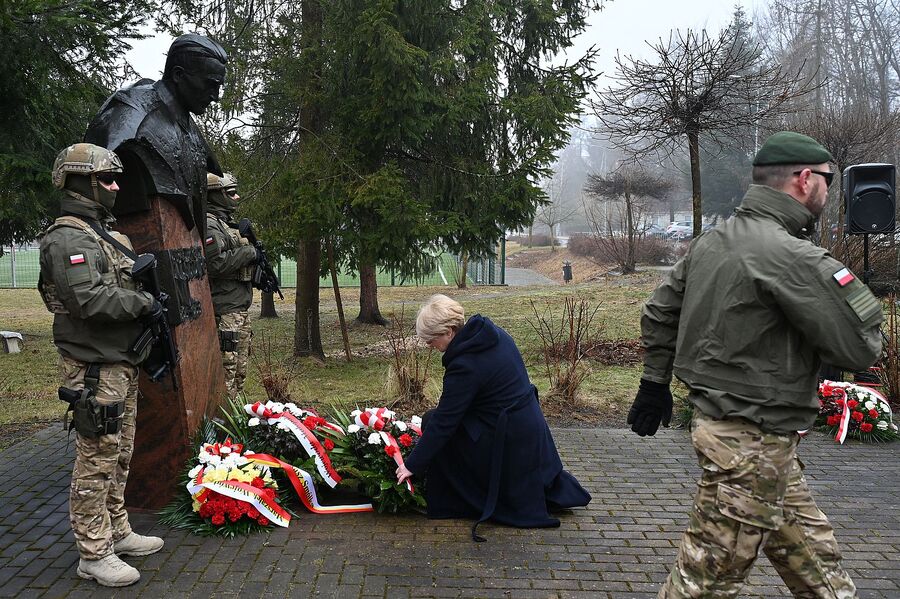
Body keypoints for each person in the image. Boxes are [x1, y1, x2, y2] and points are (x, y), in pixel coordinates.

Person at [629, 131, 882, 598]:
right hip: (753, 446)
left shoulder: (712, 242)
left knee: (816, 564)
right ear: (805, 180)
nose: (829, 191)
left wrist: (654, 383)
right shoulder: (793, 257)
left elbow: (659, 312)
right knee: (705, 582)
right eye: (828, 180)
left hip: (737, 434)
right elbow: (859, 349)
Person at [38, 143, 165, 587]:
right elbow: (88, 300)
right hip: (94, 366)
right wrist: (143, 303)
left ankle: (117, 531)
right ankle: (93, 553)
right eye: (106, 179)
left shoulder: (102, 234)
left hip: (119, 361)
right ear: (81, 182)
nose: (114, 187)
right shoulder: (68, 238)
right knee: (96, 459)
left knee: (120, 452)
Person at [396, 294, 591, 541]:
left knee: (433, 422)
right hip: (528, 427)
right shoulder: (492, 334)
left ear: (449, 331)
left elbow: (445, 422)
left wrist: (412, 465)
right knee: (434, 420)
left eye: (430, 339)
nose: (428, 345)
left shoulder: (465, 364)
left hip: (507, 438)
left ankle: (456, 500)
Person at [85, 33, 228, 239]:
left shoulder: (189, 126)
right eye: (210, 84)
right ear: (178, 75)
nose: (215, 96)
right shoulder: (133, 118)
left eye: (219, 87)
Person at [205, 172, 257, 399]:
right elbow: (215, 264)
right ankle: (223, 417)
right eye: (231, 193)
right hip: (226, 308)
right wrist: (248, 252)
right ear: (216, 195)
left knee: (239, 372)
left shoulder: (225, 224)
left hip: (239, 306)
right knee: (227, 371)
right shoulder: (209, 224)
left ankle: (235, 414)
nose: (237, 197)